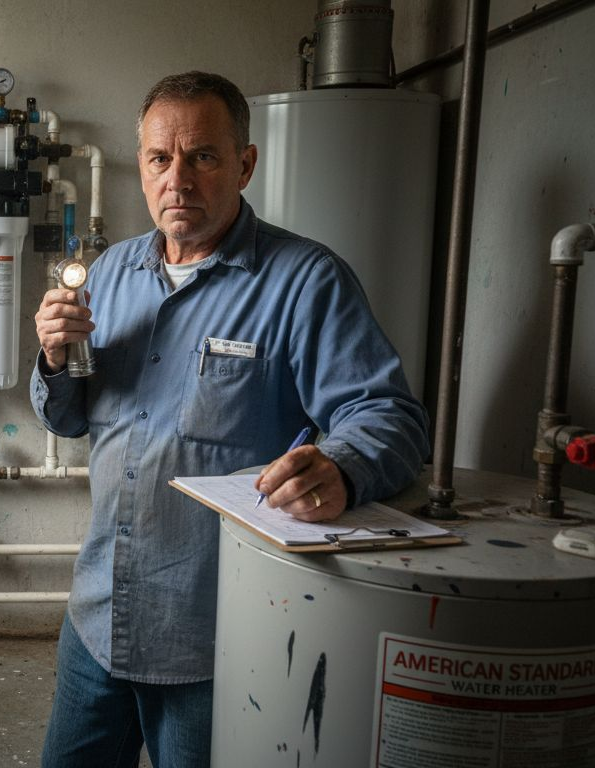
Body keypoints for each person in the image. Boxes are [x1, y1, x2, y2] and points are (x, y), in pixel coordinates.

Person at [30, 71, 429, 767]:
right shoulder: (113, 272)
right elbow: (70, 421)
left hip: (215, 637)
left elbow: (388, 414)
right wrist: (55, 360)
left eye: (203, 157)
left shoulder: (306, 281)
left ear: (244, 164)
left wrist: (343, 469)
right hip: (100, 614)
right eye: (160, 159)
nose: (177, 179)